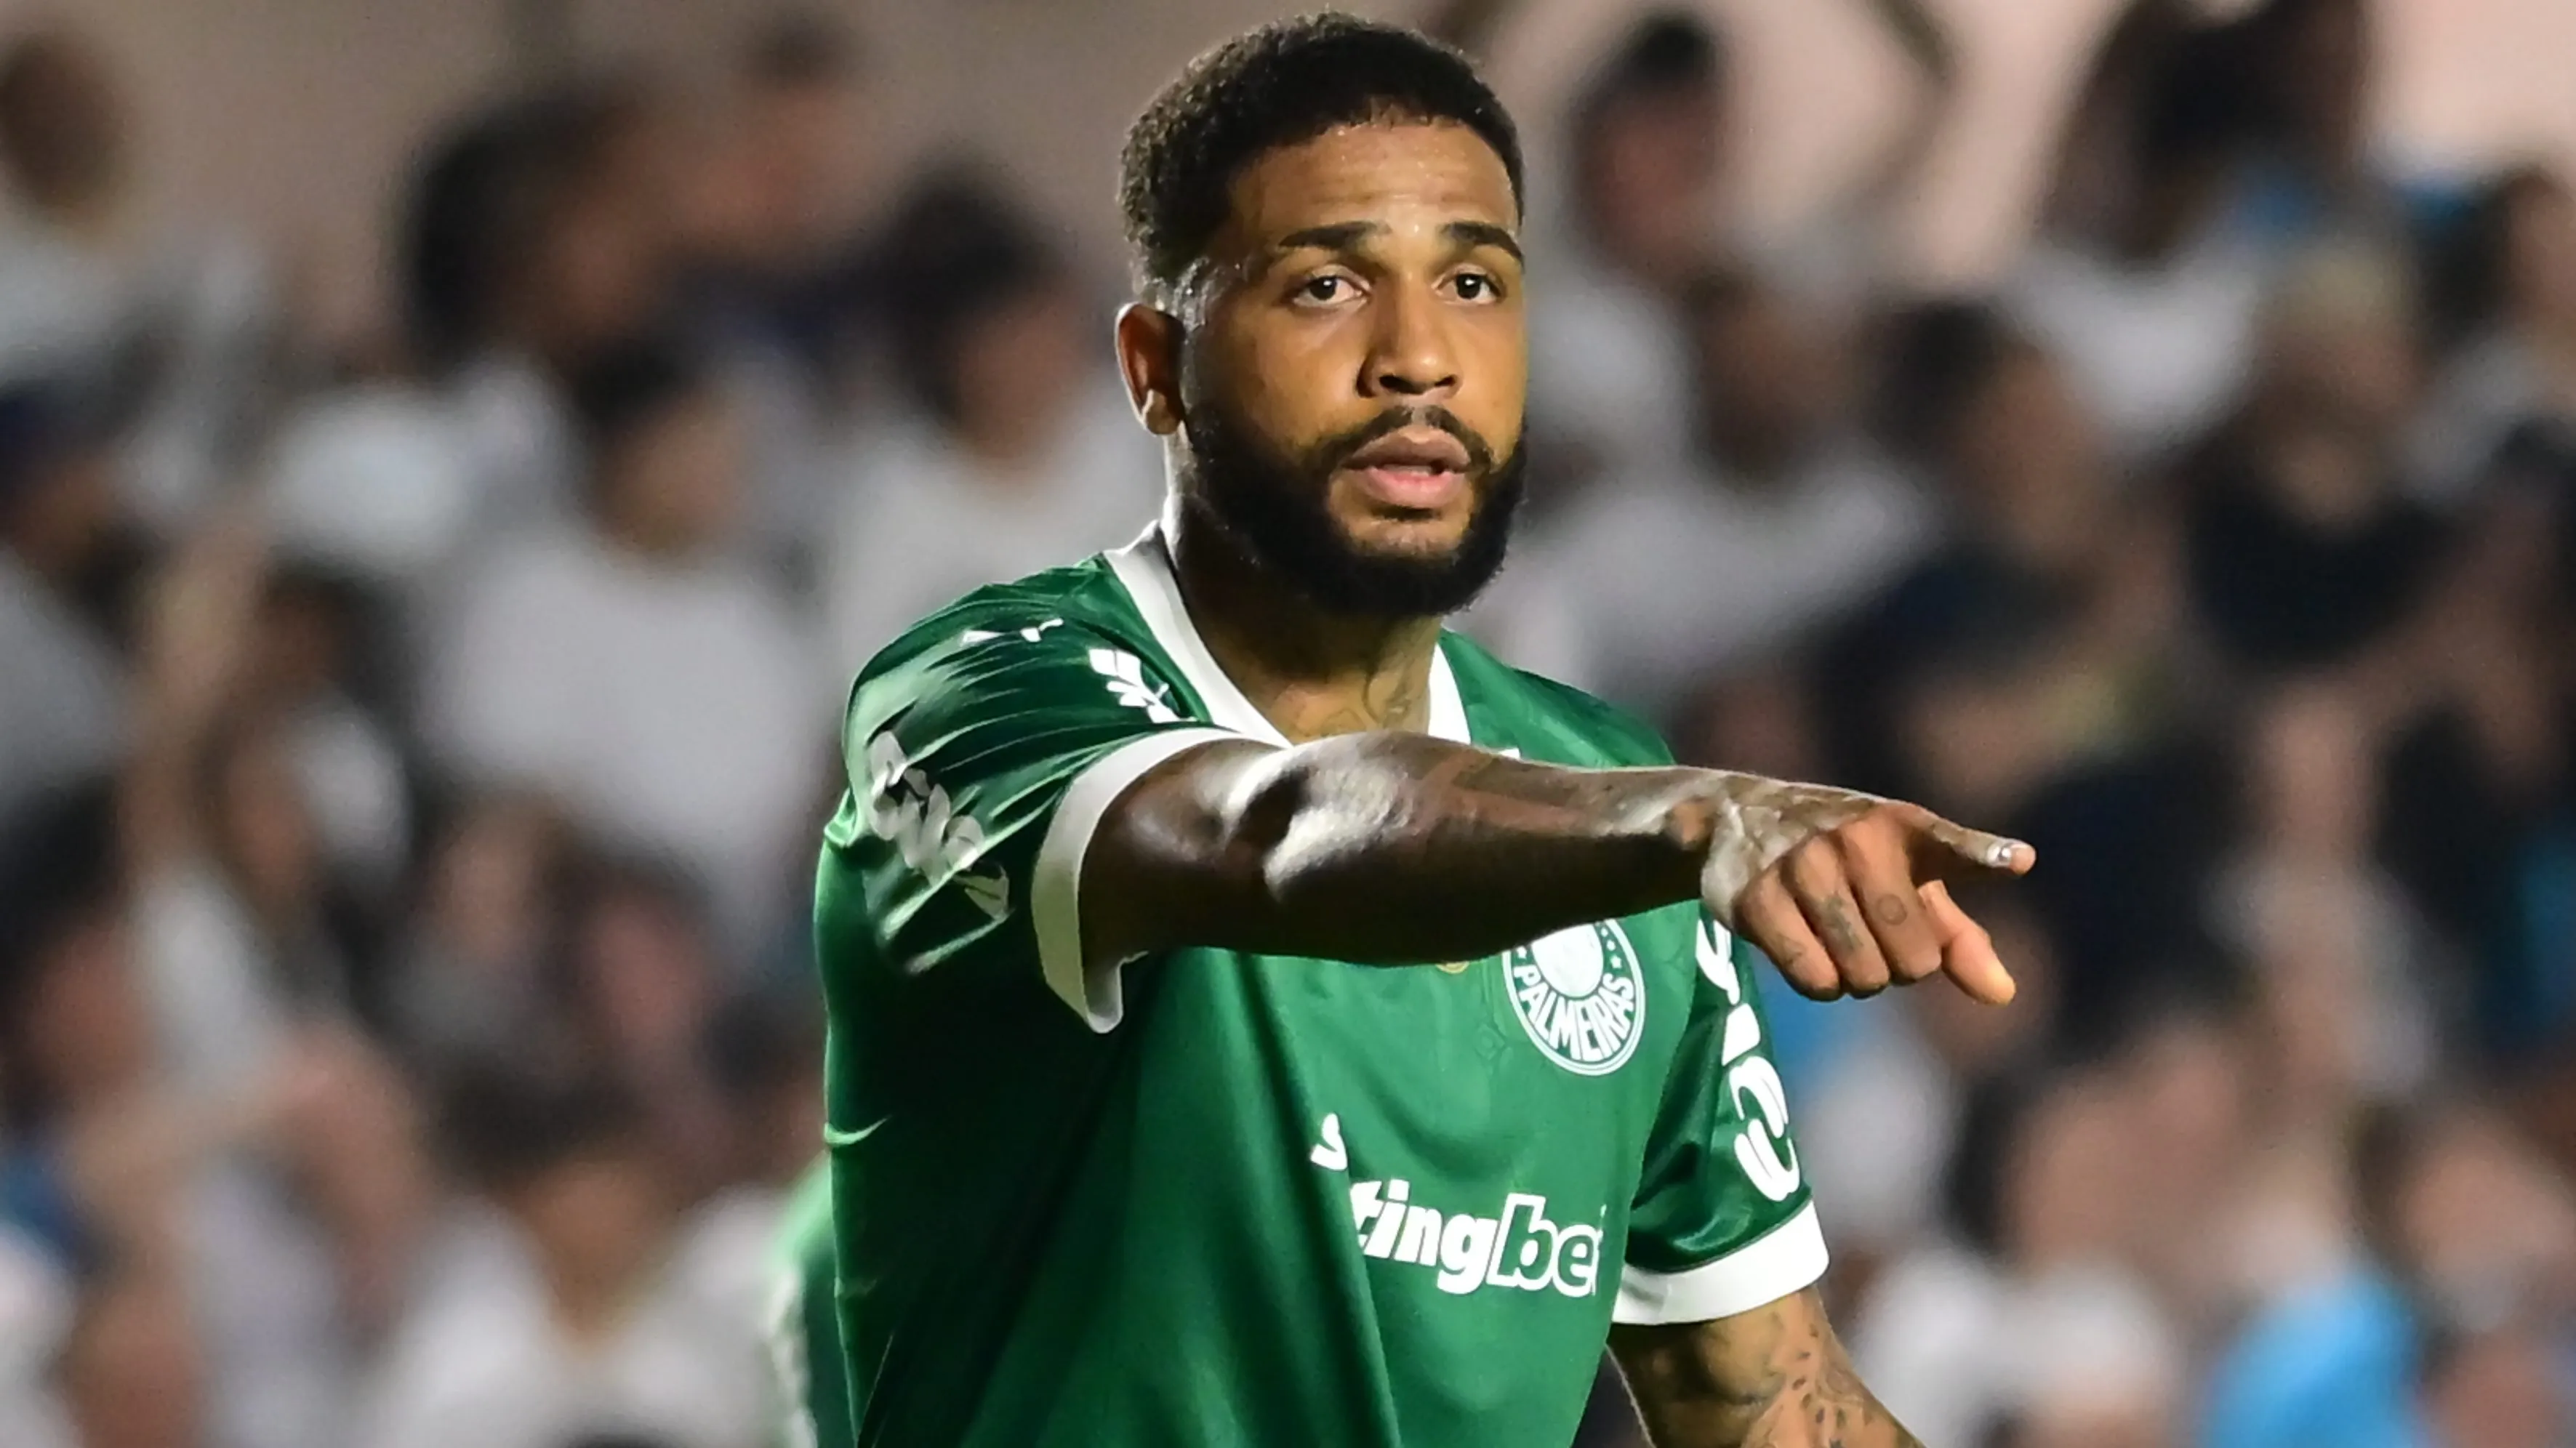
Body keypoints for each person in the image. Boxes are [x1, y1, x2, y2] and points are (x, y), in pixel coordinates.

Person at [805, 17, 2034, 1447]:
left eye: (1472, 283)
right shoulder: (986, 694)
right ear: (1155, 366)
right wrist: (1678, 826)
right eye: (1327, 285)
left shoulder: (1611, 803)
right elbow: (1275, 838)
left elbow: (1761, 1403)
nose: (1418, 358)